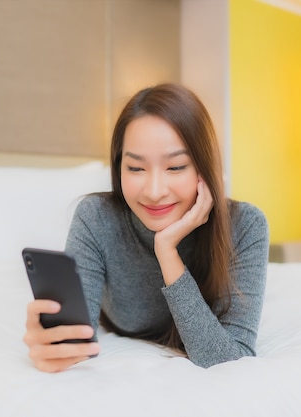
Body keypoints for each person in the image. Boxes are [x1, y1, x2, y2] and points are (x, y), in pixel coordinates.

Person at [23, 83, 269, 373]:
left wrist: (167, 251)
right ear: (118, 168)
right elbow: (74, 343)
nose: (153, 192)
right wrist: (51, 345)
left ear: (204, 167)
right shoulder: (96, 218)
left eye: (176, 167)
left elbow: (229, 361)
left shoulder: (246, 225)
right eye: (136, 168)